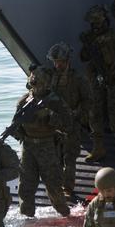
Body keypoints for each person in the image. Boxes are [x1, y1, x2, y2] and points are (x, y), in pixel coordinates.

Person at [12, 66, 72, 217]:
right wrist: (21, 133)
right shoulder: (24, 102)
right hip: (28, 146)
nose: (37, 88)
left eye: (39, 84)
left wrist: (49, 115)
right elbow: (15, 126)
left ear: (46, 84)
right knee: (25, 186)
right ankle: (27, 217)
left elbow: (68, 122)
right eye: (34, 84)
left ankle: (65, 214)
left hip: (47, 145)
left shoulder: (54, 101)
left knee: (53, 185)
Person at [80, 4, 115, 159]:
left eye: (98, 22)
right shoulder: (89, 38)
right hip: (96, 79)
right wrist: (88, 47)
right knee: (94, 113)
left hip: (114, 79)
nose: (96, 26)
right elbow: (83, 57)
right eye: (93, 23)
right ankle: (98, 148)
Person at [47, 42, 91, 199]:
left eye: (61, 62)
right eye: (55, 62)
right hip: (54, 124)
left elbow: (87, 100)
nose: (58, 65)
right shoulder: (50, 76)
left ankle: (68, 187)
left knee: (70, 158)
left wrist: (77, 114)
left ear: (67, 61)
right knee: (55, 158)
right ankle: (57, 185)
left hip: (71, 124)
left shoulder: (78, 79)